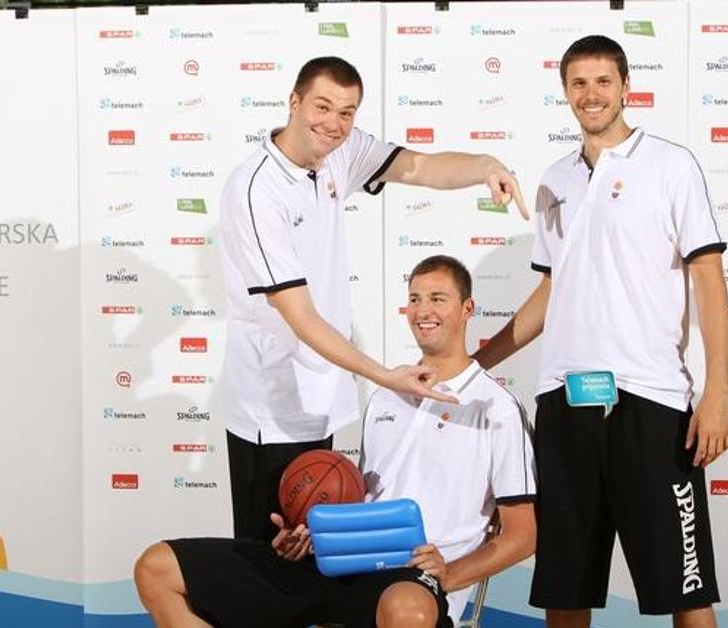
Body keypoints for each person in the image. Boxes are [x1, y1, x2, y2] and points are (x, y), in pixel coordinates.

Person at [473, 35, 728, 628]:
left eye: (603, 82)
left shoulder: (671, 165)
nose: (592, 95)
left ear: (626, 87)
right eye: (579, 83)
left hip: (651, 401)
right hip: (564, 403)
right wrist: (474, 364)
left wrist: (717, 390)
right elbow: (551, 291)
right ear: (565, 91)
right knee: (566, 591)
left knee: (685, 591)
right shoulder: (554, 179)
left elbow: (709, 278)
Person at [135, 255, 537, 628]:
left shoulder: (496, 407)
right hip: (337, 564)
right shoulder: (386, 396)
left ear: (467, 309)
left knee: (408, 612)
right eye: (414, 299)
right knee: (157, 568)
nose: (423, 310)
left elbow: (524, 534)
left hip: (414, 576)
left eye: (438, 298)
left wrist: (449, 574)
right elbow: (357, 500)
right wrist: (310, 535)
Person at [220, 56, 528, 541]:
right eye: (322, 107)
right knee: (267, 560)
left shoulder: (339, 152)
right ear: (294, 102)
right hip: (271, 407)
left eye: (347, 112)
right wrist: (384, 376)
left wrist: (486, 166)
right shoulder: (256, 190)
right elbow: (300, 316)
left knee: (309, 559)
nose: (333, 123)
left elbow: (420, 167)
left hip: (319, 399)